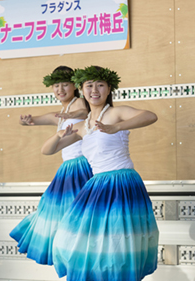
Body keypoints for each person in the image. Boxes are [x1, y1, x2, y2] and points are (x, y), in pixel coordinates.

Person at [45, 66, 159, 280]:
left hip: (122, 181)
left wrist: (118, 127)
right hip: (97, 184)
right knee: (76, 236)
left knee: (118, 240)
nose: (94, 90)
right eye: (89, 85)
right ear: (82, 89)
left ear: (109, 89)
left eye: (100, 85)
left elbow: (150, 116)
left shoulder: (116, 113)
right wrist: (59, 134)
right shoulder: (82, 126)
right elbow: (48, 150)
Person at [9, 66, 93, 265]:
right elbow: (39, 119)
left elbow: (84, 110)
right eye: (56, 86)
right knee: (56, 211)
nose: (60, 89)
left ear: (74, 86)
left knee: (76, 213)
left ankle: (80, 254)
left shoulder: (78, 102)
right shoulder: (62, 111)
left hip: (81, 166)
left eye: (65, 84)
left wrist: (69, 115)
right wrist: (27, 120)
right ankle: (69, 256)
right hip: (67, 168)